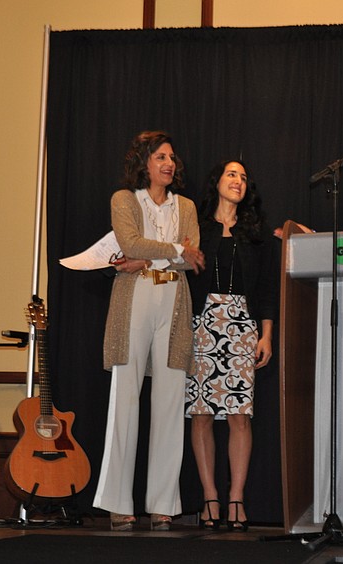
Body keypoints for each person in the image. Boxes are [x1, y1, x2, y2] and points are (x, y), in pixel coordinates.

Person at [95, 131, 205, 532]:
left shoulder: (187, 206)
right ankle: (117, 501)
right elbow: (130, 241)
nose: (169, 163)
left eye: (172, 157)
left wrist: (144, 260)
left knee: (169, 404)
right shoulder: (125, 200)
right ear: (144, 162)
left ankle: (162, 502)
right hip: (134, 303)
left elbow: (191, 260)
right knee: (125, 401)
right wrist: (174, 251)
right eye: (160, 156)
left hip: (173, 304)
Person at [185, 160, 279, 532]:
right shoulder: (196, 229)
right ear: (217, 183)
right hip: (201, 325)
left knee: (240, 415)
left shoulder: (257, 235)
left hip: (242, 325)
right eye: (231, 174)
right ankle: (210, 497)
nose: (238, 180)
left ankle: (236, 498)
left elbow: (268, 289)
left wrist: (266, 334)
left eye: (243, 176)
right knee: (202, 413)